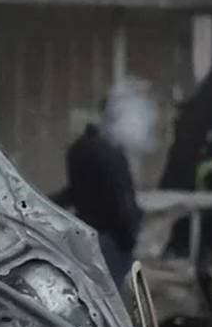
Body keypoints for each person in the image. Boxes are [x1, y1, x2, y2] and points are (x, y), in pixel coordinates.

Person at [58, 83, 152, 288]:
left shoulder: (80, 147)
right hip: (112, 241)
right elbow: (121, 199)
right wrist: (131, 233)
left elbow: (76, 192)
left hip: (88, 237)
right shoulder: (110, 153)